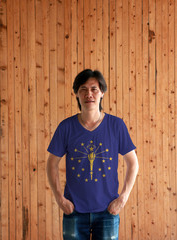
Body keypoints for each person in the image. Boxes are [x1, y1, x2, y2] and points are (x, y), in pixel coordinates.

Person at [47, 69, 139, 240]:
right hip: (74, 211)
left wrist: (123, 198)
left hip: (107, 211)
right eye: (83, 89)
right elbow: (51, 164)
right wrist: (60, 199)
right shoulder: (66, 127)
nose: (88, 93)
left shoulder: (116, 126)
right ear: (76, 94)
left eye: (94, 89)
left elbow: (133, 163)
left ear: (102, 92)